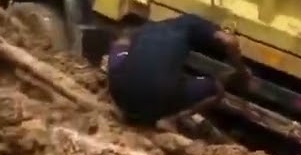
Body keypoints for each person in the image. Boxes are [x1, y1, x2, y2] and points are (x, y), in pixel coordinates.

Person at [106, 13, 249, 127]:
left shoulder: (150, 27)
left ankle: (128, 111)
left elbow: (123, 41)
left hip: (121, 96)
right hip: (158, 101)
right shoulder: (195, 24)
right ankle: (174, 119)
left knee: (123, 55)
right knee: (216, 89)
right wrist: (241, 72)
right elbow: (230, 41)